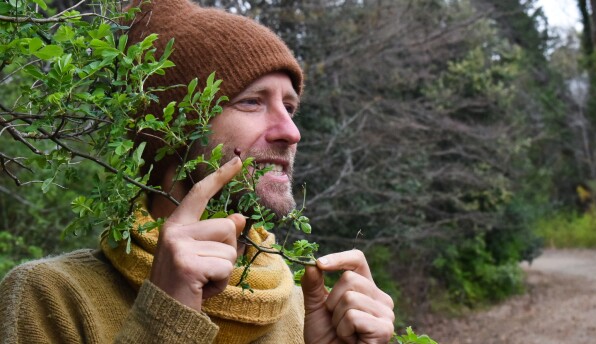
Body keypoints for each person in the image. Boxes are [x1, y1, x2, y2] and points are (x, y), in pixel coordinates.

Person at [0, 0, 395, 342]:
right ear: (171, 130)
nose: (291, 132)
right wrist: (166, 317)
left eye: (289, 107)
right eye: (252, 102)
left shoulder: (304, 309)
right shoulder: (52, 295)